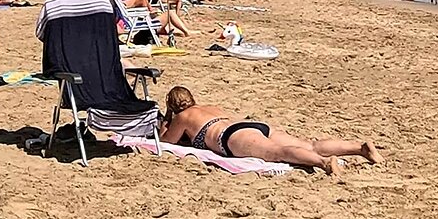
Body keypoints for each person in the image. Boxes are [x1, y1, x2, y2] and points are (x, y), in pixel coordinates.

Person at [161, 86, 383, 174]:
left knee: (279, 153)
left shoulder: (182, 117)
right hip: (248, 125)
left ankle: (324, 163)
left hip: (229, 137)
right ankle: (359, 148)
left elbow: (167, 142)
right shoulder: (210, 107)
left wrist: (167, 122)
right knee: (308, 144)